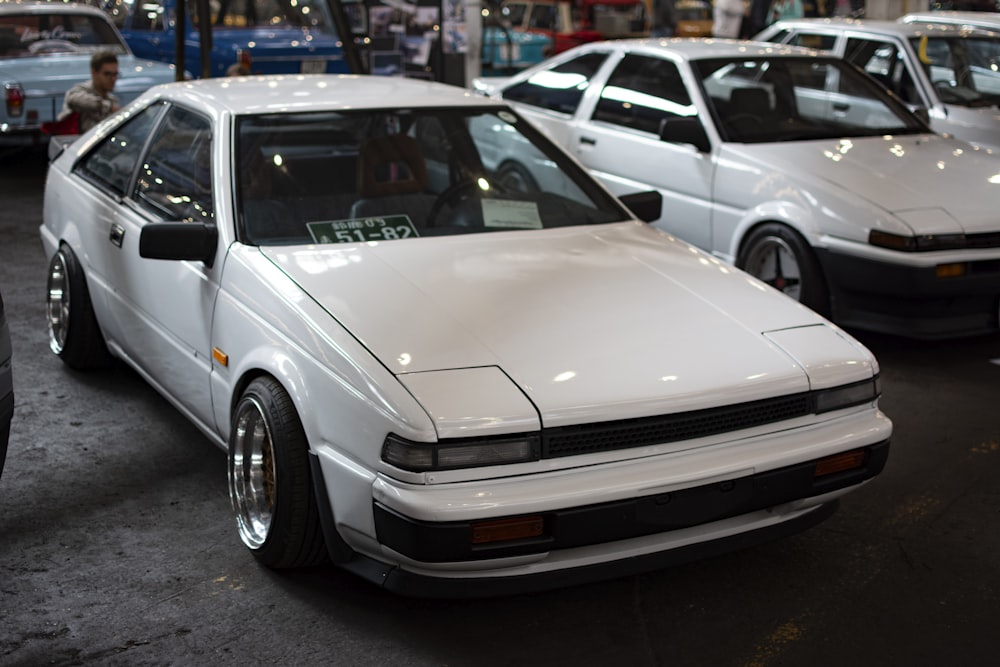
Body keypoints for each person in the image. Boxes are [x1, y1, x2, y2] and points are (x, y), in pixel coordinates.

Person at [59, 51, 121, 134]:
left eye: (115, 74)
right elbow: (75, 99)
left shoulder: (112, 100)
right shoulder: (80, 91)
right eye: (107, 74)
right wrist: (108, 107)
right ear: (94, 73)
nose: (113, 79)